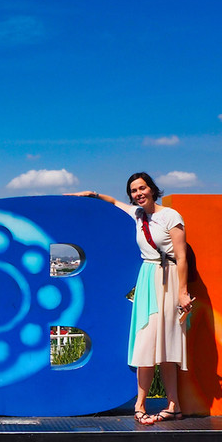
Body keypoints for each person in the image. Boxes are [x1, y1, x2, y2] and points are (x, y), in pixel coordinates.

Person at [70, 172, 192, 424]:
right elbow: (115, 204)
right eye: (134, 191)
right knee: (146, 341)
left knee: (167, 346)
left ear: (153, 189)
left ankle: (172, 405)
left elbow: (181, 256)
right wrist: (93, 195)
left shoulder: (171, 216)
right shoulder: (138, 216)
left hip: (168, 279)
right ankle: (141, 405)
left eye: (142, 188)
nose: (138, 194)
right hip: (147, 277)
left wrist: (182, 292)